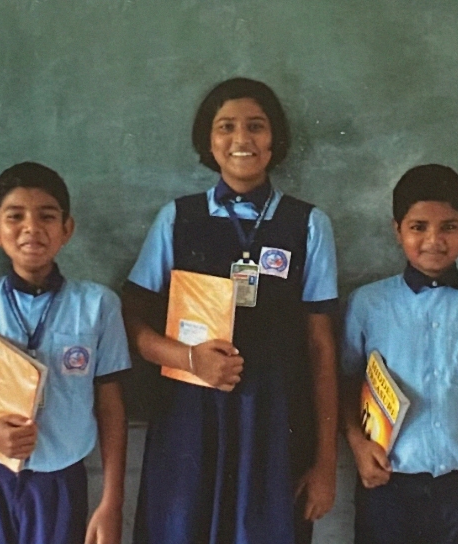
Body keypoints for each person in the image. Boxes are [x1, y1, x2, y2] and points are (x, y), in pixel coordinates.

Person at [122, 77, 340, 544]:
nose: (242, 140)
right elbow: (131, 319)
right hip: (188, 422)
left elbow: (321, 346)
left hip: (273, 423)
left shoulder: (306, 224)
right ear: (208, 140)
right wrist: (186, 358)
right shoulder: (178, 218)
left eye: (256, 127)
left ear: (275, 139)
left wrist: (325, 463)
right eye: (226, 127)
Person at [0, 162, 131, 544]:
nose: (32, 228)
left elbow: (110, 404)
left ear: (67, 229)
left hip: (61, 479)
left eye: (47, 216)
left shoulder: (98, 305)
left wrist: (112, 500)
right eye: (15, 216)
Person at [341, 164, 458, 544]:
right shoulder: (368, 304)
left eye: (449, 227)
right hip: (388, 487)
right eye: (418, 227)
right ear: (397, 230)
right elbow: (342, 384)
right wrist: (357, 445)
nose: (434, 240)